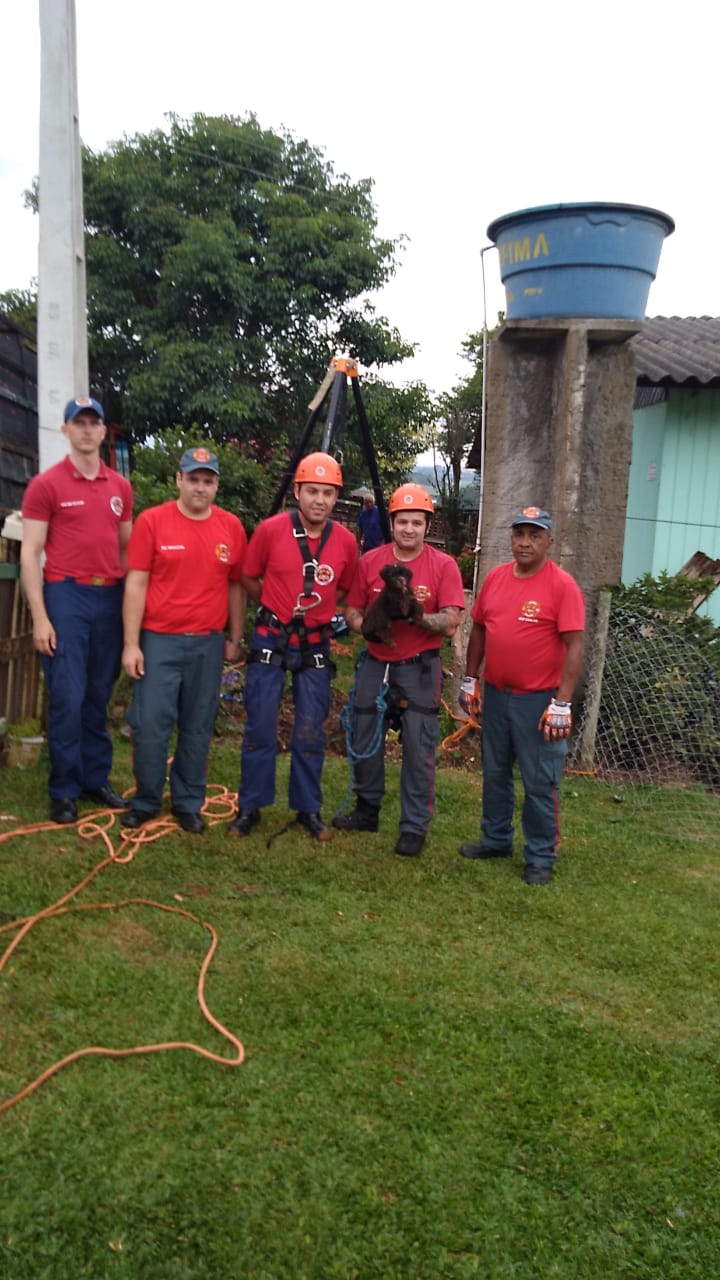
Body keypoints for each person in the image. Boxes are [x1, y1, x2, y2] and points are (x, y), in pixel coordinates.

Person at [230, 451, 358, 841]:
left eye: (328, 493)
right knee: (261, 723)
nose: (319, 500)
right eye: (312, 491)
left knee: (309, 729)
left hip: (315, 642)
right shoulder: (270, 530)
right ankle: (250, 805)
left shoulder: (346, 542)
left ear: (336, 498)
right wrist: (277, 606)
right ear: (297, 491)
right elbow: (250, 577)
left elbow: (345, 588)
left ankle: (308, 808)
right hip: (272, 635)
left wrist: (316, 615)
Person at [334, 482, 465, 856]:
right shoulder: (371, 561)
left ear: (427, 525)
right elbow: (353, 610)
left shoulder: (443, 566)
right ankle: (367, 808)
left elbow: (452, 621)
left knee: (419, 744)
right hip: (377, 661)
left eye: (417, 522)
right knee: (362, 729)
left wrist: (417, 616)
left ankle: (413, 827)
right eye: (402, 521)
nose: (409, 529)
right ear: (391, 522)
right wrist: (367, 627)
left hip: (419, 666)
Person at [120, 447, 247, 833]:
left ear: (216, 486)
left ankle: (188, 802)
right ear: (178, 480)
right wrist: (131, 643)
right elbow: (136, 584)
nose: (200, 488)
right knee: (151, 724)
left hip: (207, 643)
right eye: (193, 479)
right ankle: (145, 801)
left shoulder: (231, 527)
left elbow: (236, 585)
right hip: (160, 640)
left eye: (208, 481)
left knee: (197, 725)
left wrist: (235, 636)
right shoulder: (152, 522)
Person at [20, 396, 133, 824]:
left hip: (110, 597)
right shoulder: (45, 486)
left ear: (104, 431)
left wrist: (131, 611)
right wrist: (40, 617)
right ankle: (64, 788)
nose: (87, 430)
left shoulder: (120, 487)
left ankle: (94, 779)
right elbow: (31, 554)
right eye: (78, 423)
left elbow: (127, 550)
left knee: (98, 694)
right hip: (66, 596)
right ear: (65, 429)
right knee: (67, 694)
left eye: (94, 423)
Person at [458, 506, 585, 885]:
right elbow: (479, 630)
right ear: (511, 538)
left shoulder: (562, 586)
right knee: (495, 772)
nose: (525, 542)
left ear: (550, 541)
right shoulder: (496, 578)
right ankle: (496, 839)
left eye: (534, 535)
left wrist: (562, 702)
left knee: (539, 779)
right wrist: (470, 679)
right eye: (519, 534)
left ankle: (540, 855)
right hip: (497, 695)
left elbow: (575, 647)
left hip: (539, 701)